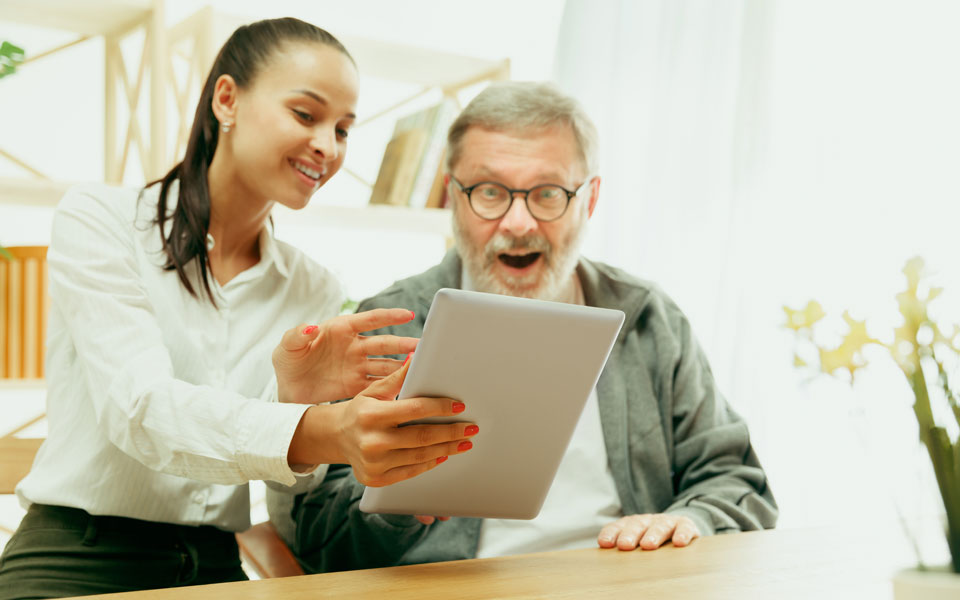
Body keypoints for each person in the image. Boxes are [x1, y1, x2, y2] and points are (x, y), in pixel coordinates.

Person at [0, 18, 477, 599]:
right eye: (306, 115)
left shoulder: (313, 288)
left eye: (344, 129)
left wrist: (386, 471)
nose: (328, 146)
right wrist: (322, 428)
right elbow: (141, 410)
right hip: (73, 560)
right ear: (226, 99)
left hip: (215, 567)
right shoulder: (100, 220)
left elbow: (287, 496)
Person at [270, 81, 778, 572]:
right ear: (452, 196)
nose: (518, 223)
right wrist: (391, 503)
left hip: (623, 582)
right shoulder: (386, 325)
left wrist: (692, 521)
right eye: (489, 192)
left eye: (548, 194)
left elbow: (736, 479)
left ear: (590, 199)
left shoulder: (647, 316)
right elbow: (321, 544)